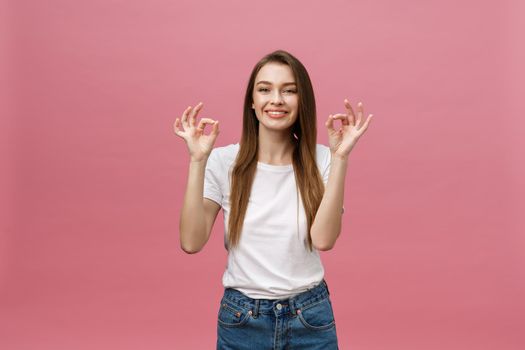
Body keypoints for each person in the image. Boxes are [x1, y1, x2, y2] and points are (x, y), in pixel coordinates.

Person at [173, 49, 372, 349]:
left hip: (310, 317)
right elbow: (191, 242)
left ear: (301, 100)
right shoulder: (223, 161)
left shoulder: (323, 159)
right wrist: (197, 161)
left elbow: (324, 240)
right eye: (265, 89)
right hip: (242, 319)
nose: (276, 99)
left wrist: (341, 157)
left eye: (289, 91)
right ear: (252, 102)